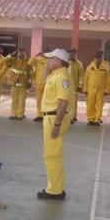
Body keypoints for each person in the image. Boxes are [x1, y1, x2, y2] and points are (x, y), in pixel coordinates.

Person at [37, 48, 73, 200]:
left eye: (51, 59)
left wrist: (57, 124)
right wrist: (48, 66)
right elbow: (44, 77)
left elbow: (63, 102)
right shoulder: (56, 75)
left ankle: (55, 190)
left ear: (58, 61)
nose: (48, 61)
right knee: (53, 154)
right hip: (51, 117)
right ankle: (56, 186)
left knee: (52, 155)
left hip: (54, 118)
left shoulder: (62, 77)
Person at [83, 50, 110, 126]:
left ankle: (97, 119)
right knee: (90, 104)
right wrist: (85, 89)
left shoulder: (105, 68)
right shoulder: (89, 68)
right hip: (90, 89)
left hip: (101, 90)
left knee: (99, 105)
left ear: (102, 59)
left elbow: (108, 80)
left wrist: (107, 90)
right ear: (94, 58)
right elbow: (86, 79)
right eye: (97, 58)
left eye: (100, 58)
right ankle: (91, 119)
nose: (98, 59)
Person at [6, 50, 31, 120]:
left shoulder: (27, 63)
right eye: (20, 53)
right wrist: (11, 54)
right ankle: (13, 114)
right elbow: (5, 60)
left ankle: (20, 115)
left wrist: (30, 82)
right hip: (14, 84)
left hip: (23, 85)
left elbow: (30, 73)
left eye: (23, 53)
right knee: (14, 100)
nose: (21, 54)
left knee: (22, 101)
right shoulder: (13, 61)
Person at [28, 50, 49, 122]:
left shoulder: (51, 60)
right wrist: (36, 55)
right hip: (39, 83)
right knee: (39, 99)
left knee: (47, 100)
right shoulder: (38, 59)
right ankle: (39, 115)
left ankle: (45, 115)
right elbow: (29, 63)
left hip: (48, 84)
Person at [68, 49, 84, 123]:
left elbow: (81, 75)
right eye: (71, 54)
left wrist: (80, 85)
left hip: (74, 86)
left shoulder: (78, 64)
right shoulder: (65, 62)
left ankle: (71, 117)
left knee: (73, 102)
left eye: (74, 54)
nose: (72, 55)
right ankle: (66, 116)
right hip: (64, 86)